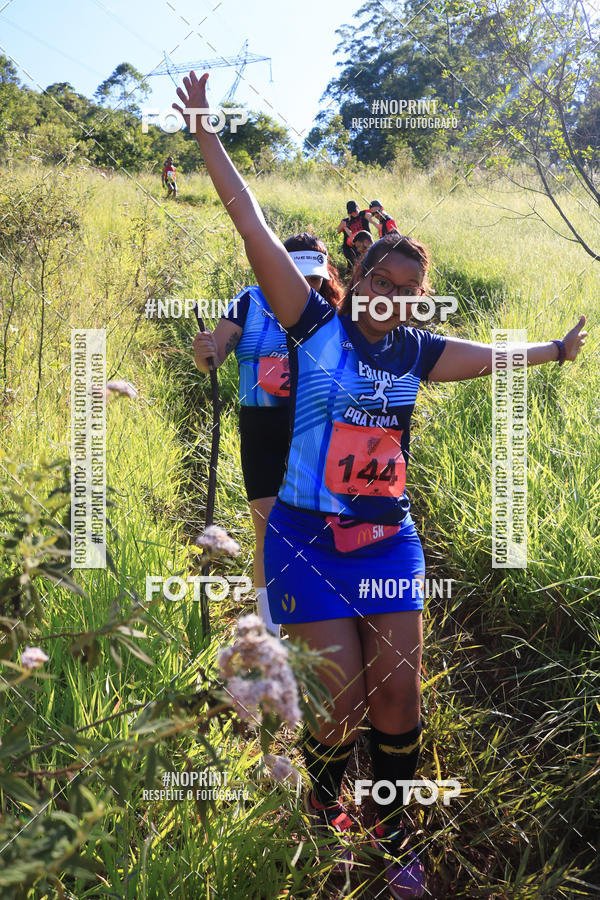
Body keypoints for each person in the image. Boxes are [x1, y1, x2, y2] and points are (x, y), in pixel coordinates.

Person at [174, 71, 587, 898]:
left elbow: (493, 359)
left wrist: (551, 352)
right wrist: (207, 137)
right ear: (355, 282)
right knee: (337, 706)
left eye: (410, 293)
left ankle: (396, 833)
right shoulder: (311, 324)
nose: (393, 300)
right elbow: (250, 225)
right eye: (380, 285)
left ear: (417, 301)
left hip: (387, 539)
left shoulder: (418, 353)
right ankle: (333, 819)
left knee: (397, 694)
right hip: (303, 538)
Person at [192, 233, 344, 637]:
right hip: (260, 426)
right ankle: (271, 626)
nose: (308, 287)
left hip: (313, 427)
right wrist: (204, 351)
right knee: (268, 525)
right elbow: (214, 359)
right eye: (298, 275)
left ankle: (316, 618)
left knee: (317, 525)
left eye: (315, 279)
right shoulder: (248, 301)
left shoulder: (331, 310)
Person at [337, 200, 373, 267]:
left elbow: (372, 213)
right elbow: (338, 230)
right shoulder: (346, 221)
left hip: (364, 243)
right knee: (352, 264)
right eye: (351, 212)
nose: (354, 213)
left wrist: (369, 217)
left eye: (355, 211)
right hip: (351, 246)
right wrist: (344, 225)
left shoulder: (363, 214)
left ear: (358, 207)